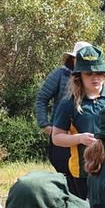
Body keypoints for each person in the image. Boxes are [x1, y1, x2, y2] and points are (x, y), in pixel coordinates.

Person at [51, 44, 105, 200]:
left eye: (100, 73)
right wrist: (79, 138)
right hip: (82, 172)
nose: (96, 78)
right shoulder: (68, 103)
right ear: (79, 76)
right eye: (89, 73)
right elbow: (56, 137)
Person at [36, 41, 91, 177]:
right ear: (73, 59)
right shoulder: (60, 74)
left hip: (86, 135)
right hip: (62, 132)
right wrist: (45, 124)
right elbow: (42, 99)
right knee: (66, 174)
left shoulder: (92, 77)